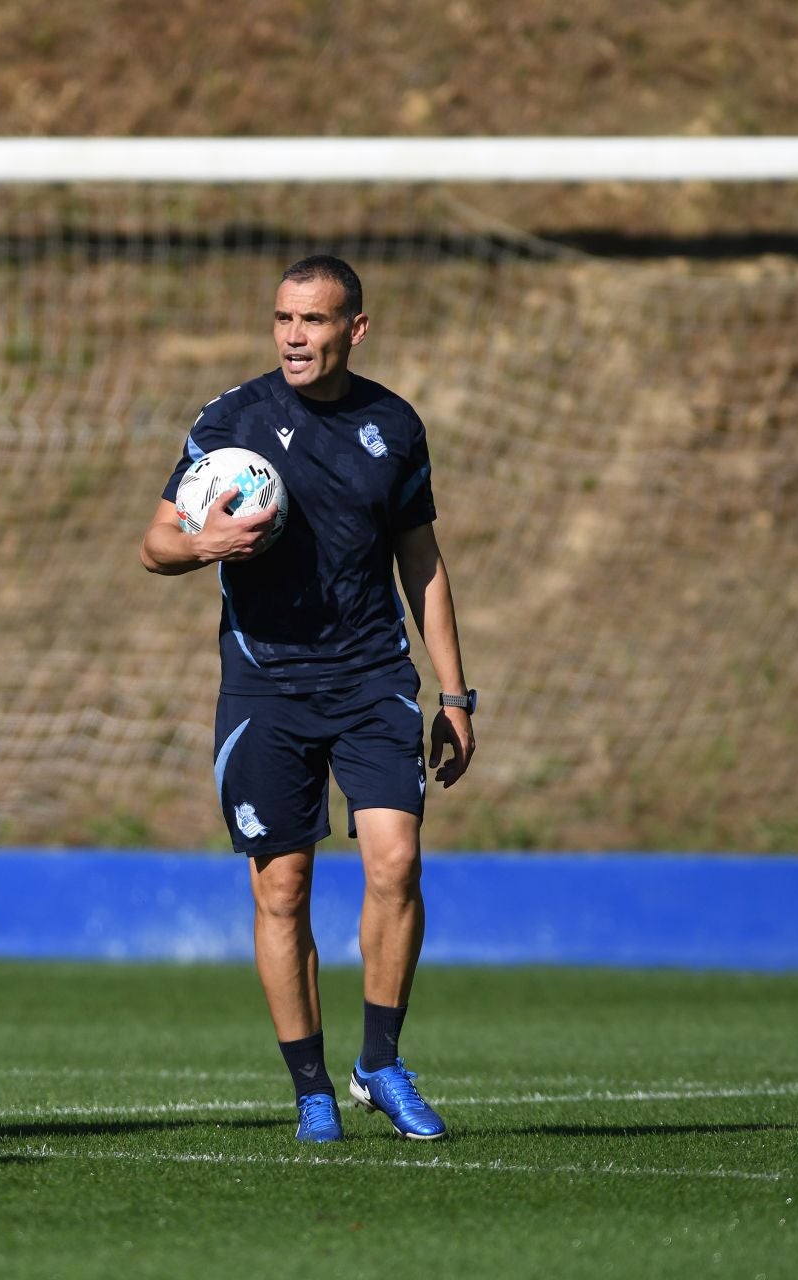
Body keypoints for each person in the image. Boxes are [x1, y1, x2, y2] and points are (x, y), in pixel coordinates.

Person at [139, 255, 476, 1144]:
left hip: (372, 678)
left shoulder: (393, 426)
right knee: (282, 890)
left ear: (353, 329)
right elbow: (153, 545)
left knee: (395, 863)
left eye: (315, 321)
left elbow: (423, 563)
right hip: (267, 684)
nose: (295, 336)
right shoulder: (232, 420)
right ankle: (311, 1090)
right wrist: (205, 543)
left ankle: (381, 1063)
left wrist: (456, 691)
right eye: (284, 319)